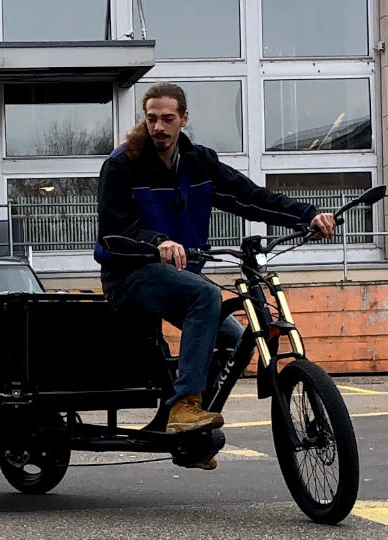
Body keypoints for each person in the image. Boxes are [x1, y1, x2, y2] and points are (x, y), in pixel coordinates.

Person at [95, 82, 336, 464]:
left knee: (236, 340)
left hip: (181, 274)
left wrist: (308, 214)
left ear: (184, 119)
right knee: (205, 295)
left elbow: (252, 197)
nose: (158, 127)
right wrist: (157, 241)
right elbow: (112, 231)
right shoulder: (123, 164)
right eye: (152, 118)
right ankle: (186, 404)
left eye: (168, 119)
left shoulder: (198, 162)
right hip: (130, 275)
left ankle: (186, 431)